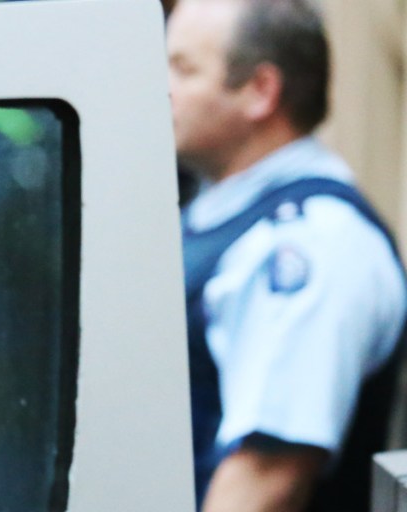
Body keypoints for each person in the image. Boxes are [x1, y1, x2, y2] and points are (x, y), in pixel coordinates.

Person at [168, 1, 407, 511]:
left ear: (261, 91)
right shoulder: (219, 208)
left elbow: (266, 480)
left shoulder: (312, 242)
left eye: (184, 69)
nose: (160, 87)